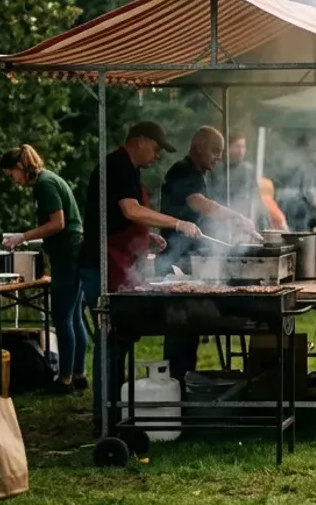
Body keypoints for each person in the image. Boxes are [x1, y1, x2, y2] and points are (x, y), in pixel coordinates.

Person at [80, 122, 201, 437]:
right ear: (140, 140)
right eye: (156, 148)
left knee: (118, 340)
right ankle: (104, 418)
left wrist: (147, 238)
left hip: (118, 264)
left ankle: (115, 411)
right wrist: (176, 223)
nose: (158, 155)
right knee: (109, 341)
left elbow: (120, 221)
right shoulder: (117, 166)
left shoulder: (130, 171)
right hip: (100, 265)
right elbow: (130, 210)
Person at [158, 126, 257, 381]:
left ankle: (183, 380)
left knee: (189, 328)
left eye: (221, 152)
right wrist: (236, 217)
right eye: (215, 151)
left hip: (191, 259)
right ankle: (175, 382)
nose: (219, 158)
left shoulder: (200, 174)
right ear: (198, 147)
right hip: (176, 261)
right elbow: (200, 204)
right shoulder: (184, 170)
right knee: (180, 327)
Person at [0, 145, 86, 393]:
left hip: (67, 255)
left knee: (62, 317)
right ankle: (78, 374)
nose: (13, 181)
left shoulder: (44, 185)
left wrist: (23, 237)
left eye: (11, 175)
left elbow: (58, 223)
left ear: (20, 167)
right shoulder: (48, 180)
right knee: (74, 317)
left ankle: (65, 379)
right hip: (73, 252)